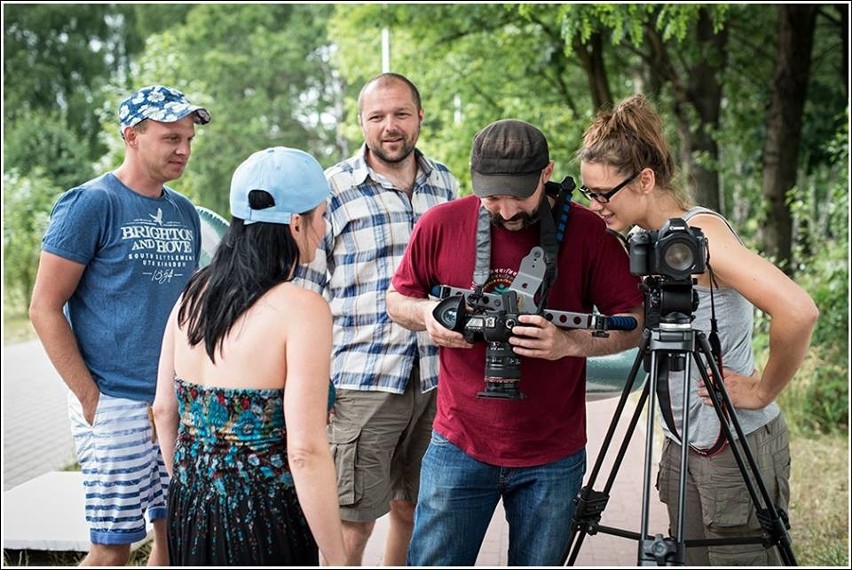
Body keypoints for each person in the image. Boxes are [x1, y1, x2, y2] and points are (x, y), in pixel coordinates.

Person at [386, 118, 645, 566]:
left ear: (546, 174)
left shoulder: (587, 233)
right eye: (492, 198)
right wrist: (430, 315)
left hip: (553, 454)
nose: (505, 212)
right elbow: (397, 300)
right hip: (458, 444)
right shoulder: (441, 223)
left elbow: (636, 322)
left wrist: (568, 343)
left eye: (517, 197)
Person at [576, 93, 819, 565]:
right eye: (590, 193)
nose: (597, 205)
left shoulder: (700, 234)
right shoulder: (647, 243)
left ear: (645, 180)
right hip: (684, 444)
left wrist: (763, 389)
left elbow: (797, 309)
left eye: (604, 193)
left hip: (733, 444)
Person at [28, 84, 210, 566]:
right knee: (113, 547)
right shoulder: (91, 203)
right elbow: (44, 308)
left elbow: (183, 307)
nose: (184, 149)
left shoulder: (183, 212)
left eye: (189, 138)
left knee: (173, 536)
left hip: (172, 402)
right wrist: (92, 399)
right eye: (171, 137)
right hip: (115, 402)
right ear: (132, 135)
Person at [151, 146, 347, 566]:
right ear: (296, 223)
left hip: (189, 506)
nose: (325, 225)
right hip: (263, 521)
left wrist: (191, 485)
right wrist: (338, 556)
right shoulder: (302, 309)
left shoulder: (193, 292)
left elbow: (164, 410)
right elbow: (305, 451)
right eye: (323, 214)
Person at [295, 72, 459, 565]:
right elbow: (308, 291)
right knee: (351, 523)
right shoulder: (332, 188)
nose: (390, 126)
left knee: (419, 510)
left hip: (435, 378)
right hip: (362, 382)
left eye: (401, 114)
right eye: (377, 116)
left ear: (420, 117)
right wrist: (314, 385)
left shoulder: (446, 183)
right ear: (361, 122)